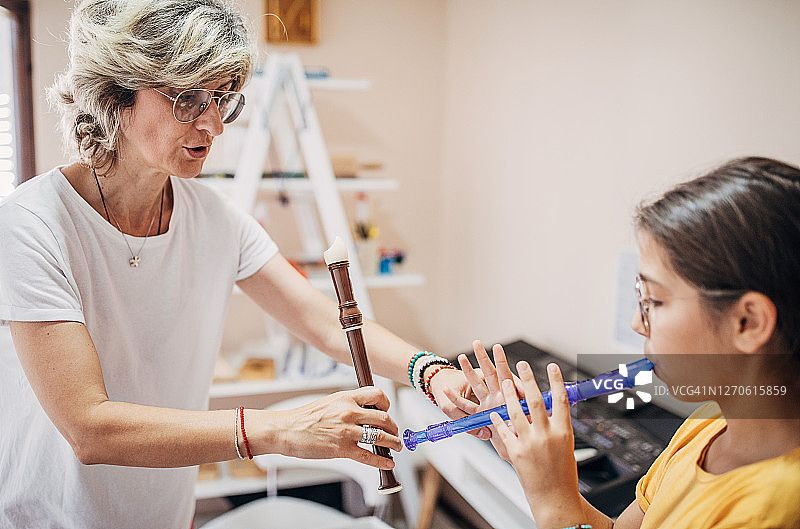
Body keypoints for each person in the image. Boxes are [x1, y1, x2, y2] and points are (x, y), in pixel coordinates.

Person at [0, 1, 470, 527]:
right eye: (189, 98)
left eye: (223, 99)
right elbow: (90, 428)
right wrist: (278, 428)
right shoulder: (32, 224)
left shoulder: (214, 219)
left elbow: (323, 322)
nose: (214, 125)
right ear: (116, 92)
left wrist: (429, 372)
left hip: (164, 514)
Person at [447, 157, 800, 528]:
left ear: (748, 322)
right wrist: (540, 471)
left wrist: (551, 497)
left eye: (655, 302)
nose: (636, 323)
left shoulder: (772, 508)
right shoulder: (711, 425)